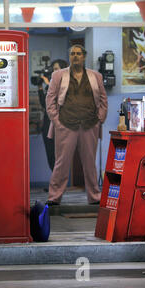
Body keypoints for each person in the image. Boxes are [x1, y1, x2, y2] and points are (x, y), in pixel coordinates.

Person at [45, 45, 108, 206]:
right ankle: (54, 197)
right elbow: (50, 100)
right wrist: (56, 120)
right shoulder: (58, 75)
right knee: (61, 162)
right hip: (65, 124)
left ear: (84, 56)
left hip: (89, 124)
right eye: (72, 53)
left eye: (78, 54)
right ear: (69, 56)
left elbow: (103, 99)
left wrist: (100, 119)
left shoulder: (96, 76)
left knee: (89, 163)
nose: (75, 56)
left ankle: (94, 196)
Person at [37, 59, 68, 173]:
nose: (53, 72)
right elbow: (44, 104)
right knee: (50, 154)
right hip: (47, 124)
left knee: (59, 156)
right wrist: (40, 87)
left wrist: (49, 85)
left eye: (56, 69)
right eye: (53, 69)